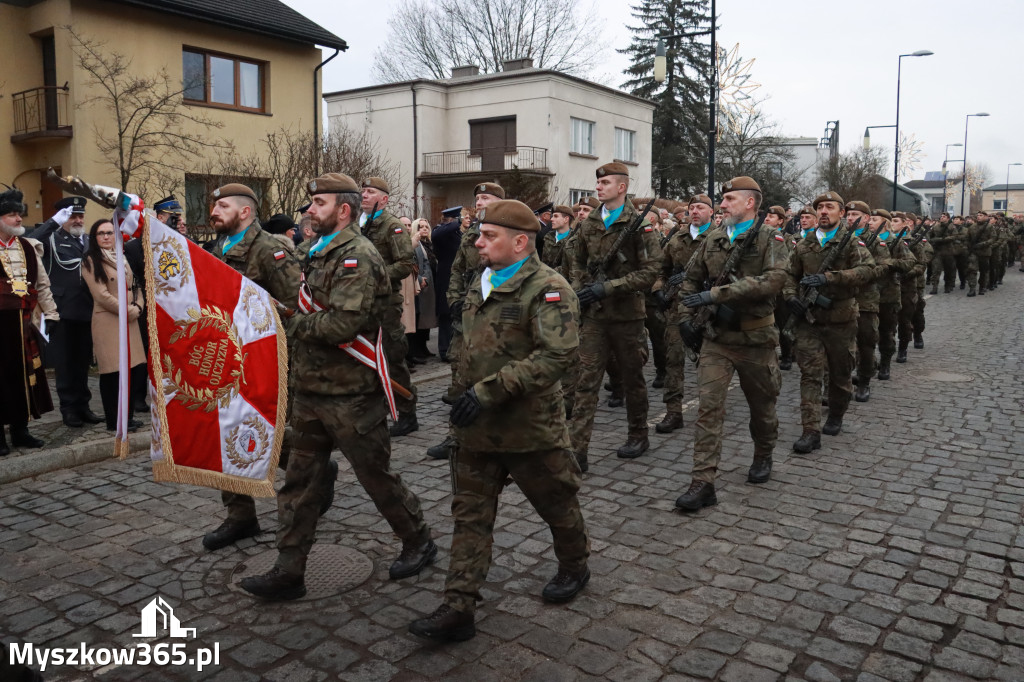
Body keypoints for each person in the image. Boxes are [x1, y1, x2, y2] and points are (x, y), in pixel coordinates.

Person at [240, 172, 435, 600]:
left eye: (319, 203)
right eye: (311, 203)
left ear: (343, 210)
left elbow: (343, 324)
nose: (310, 210)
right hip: (312, 389)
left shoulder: (358, 257)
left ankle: (418, 538)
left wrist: (289, 320)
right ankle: (289, 570)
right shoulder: (314, 252)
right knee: (298, 482)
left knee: (375, 477)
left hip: (351, 394)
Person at [408, 199, 589, 642]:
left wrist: (488, 391)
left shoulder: (548, 288)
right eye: (479, 234)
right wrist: (459, 392)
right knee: (470, 517)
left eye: (489, 236)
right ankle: (459, 606)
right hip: (474, 429)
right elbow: (470, 348)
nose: (478, 241)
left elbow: (557, 355)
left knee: (557, 505)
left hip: (529, 428)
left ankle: (574, 565)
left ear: (520, 241)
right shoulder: (481, 282)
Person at [201, 183, 313, 552]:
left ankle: (311, 467)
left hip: (264, 360)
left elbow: (294, 309)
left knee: (265, 427)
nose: (214, 210)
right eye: (214, 205)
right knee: (224, 432)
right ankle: (240, 516)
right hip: (226, 358)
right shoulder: (217, 247)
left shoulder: (271, 249)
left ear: (245, 211)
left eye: (223, 205)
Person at [674, 177, 790, 510]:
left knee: (762, 408)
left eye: (728, 199)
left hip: (756, 339)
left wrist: (717, 294)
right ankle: (703, 481)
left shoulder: (772, 238)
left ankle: (764, 453)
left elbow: (774, 280)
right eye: (721, 200)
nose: (721, 205)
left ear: (750, 203)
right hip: (717, 340)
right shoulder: (712, 239)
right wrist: (684, 317)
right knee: (709, 409)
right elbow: (690, 282)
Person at [568, 163, 660, 469]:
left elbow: (651, 272)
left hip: (627, 317)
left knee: (633, 379)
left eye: (605, 182)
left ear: (621, 187)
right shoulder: (590, 221)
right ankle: (577, 449)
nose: (598, 187)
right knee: (586, 380)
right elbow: (577, 260)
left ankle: (638, 434)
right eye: (598, 182)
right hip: (595, 316)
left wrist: (608, 288)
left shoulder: (638, 224)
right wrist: (582, 287)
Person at [784, 191, 874, 453]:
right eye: (820, 207)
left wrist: (831, 278)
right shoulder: (803, 245)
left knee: (840, 375)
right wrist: (791, 297)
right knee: (809, 375)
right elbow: (789, 275)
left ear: (841, 213)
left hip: (841, 322)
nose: (823, 211)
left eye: (829, 207)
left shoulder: (851, 243)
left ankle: (836, 414)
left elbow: (867, 271)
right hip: (809, 322)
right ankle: (810, 430)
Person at [427, 185, 505, 460]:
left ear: (499, 202)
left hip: (498, 316)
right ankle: (455, 437)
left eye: (486, 198)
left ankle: (500, 434)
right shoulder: (471, 233)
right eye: (477, 198)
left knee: (496, 374)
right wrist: (455, 300)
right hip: (467, 315)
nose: (479, 201)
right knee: (460, 374)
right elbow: (458, 269)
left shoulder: (511, 229)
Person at [26, 196, 101, 428]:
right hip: (63, 311)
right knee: (65, 364)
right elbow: (28, 243)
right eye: (72, 216)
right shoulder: (51, 239)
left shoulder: (89, 240)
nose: (77, 220)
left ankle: (84, 406)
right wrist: (52, 223)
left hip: (88, 309)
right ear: (62, 218)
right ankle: (69, 409)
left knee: (82, 362)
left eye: (80, 216)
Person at [359, 177, 419, 437]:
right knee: (364, 358)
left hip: (385, 303)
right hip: (361, 303)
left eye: (370, 192)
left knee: (392, 357)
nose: (364, 195)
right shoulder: (357, 225)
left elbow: (405, 265)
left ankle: (407, 413)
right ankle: (376, 410)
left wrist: (374, 275)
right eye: (362, 191)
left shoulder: (392, 226)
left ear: (383, 199)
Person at [0, 187, 56, 456]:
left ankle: (21, 429)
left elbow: (41, 284)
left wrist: (52, 313)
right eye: (12, 215)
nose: (19, 219)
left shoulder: (27, 246)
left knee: (24, 375)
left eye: (19, 214)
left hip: (22, 324)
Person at [652, 194, 713, 433]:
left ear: (711, 211)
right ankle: (673, 411)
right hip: (678, 309)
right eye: (692, 208)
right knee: (673, 361)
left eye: (701, 207)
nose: (695, 211)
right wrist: (658, 289)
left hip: (708, 310)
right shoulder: (676, 239)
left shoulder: (720, 239)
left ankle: (709, 410)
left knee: (708, 363)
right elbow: (660, 269)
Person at [81, 219, 146, 432]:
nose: (107, 237)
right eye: (101, 233)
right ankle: (113, 420)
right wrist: (128, 311)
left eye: (110, 232)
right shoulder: (91, 260)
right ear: (95, 237)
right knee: (113, 372)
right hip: (109, 321)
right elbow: (101, 295)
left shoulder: (122, 257)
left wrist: (138, 306)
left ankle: (127, 417)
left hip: (130, 320)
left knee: (131, 370)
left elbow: (135, 286)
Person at [869, 209, 915, 382]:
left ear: (884, 222)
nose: (870, 222)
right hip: (867, 294)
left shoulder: (895, 242)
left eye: (874, 219)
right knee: (866, 332)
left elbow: (910, 262)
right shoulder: (865, 240)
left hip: (887, 294)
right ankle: (869, 363)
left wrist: (888, 263)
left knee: (886, 331)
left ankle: (886, 362)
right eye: (870, 219)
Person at [844, 201, 882, 402]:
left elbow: (883, 267)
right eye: (849, 214)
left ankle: (864, 381)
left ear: (866, 218)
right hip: (843, 299)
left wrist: (861, 274)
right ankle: (843, 380)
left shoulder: (875, 241)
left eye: (855, 214)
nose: (850, 218)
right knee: (842, 343)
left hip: (866, 300)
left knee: (866, 342)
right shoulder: (840, 238)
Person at [764, 205, 796, 370]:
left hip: (781, 288)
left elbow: (790, 262)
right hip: (764, 287)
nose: (767, 218)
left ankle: (787, 354)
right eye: (767, 215)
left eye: (772, 216)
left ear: (781, 221)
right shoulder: (760, 237)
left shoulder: (789, 239)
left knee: (783, 322)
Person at [431, 206, 464, 362]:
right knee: (445, 315)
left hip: (456, 278)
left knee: (454, 314)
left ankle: (453, 348)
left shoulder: (456, 233)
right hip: (445, 277)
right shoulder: (440, 232)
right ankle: (444, 350)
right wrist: (457, 222)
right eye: (457, 219)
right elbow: (438, 234)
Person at [409, 218, 438, 361]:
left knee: (426, 318)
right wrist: (421, 278)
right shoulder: (415, 244)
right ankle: (416, 349)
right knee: (419, 318)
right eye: (421, 227)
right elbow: (413, 263)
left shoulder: (429, 244)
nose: (424, 229)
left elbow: (428, 263)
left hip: (429, 285)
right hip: (419, 284)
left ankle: (423, 347)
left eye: (427, 226)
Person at [966, 211, 995, 297]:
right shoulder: (972, 226)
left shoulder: (989, 227)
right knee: (972, 269)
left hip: (985, 252)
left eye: (981, 215)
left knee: (984, 271)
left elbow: (993, 238)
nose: (978, 217)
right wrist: (969, 246)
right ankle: (972, 288)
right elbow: (967, 238)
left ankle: (982, 287)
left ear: (986, 217)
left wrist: (983, 244)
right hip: (974, 252)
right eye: (978, 215)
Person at [928, 212, 957, 294]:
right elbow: (930, 236)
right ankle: (934, 287)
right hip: (938, 251)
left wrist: (942, 239)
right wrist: (934, 240)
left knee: (948, 270)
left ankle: (947, 286)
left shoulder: (952, 227)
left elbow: (954, 237)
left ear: (948, 218)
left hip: (948, 251)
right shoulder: (936, 227)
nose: (941, 218)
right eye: (941, 216)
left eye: (944, 217)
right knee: (936, 270)